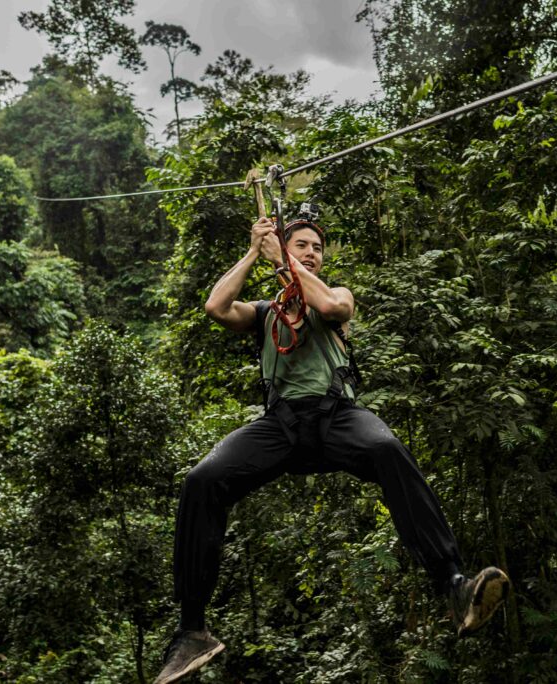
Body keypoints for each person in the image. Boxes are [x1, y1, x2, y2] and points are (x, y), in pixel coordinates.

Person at [154, 216, 510, 683]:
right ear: (282, 249)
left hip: (337, 416)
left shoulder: (334, 297)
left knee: (386, 448)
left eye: (317, 248)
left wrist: (282, 258)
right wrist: (253, 252)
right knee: (202, 481)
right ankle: (193, 631)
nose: (311, 252)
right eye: (300, 245)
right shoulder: (266, 312)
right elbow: (217, 307)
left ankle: (453, 584)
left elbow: (331, 305)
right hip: (279, 425)